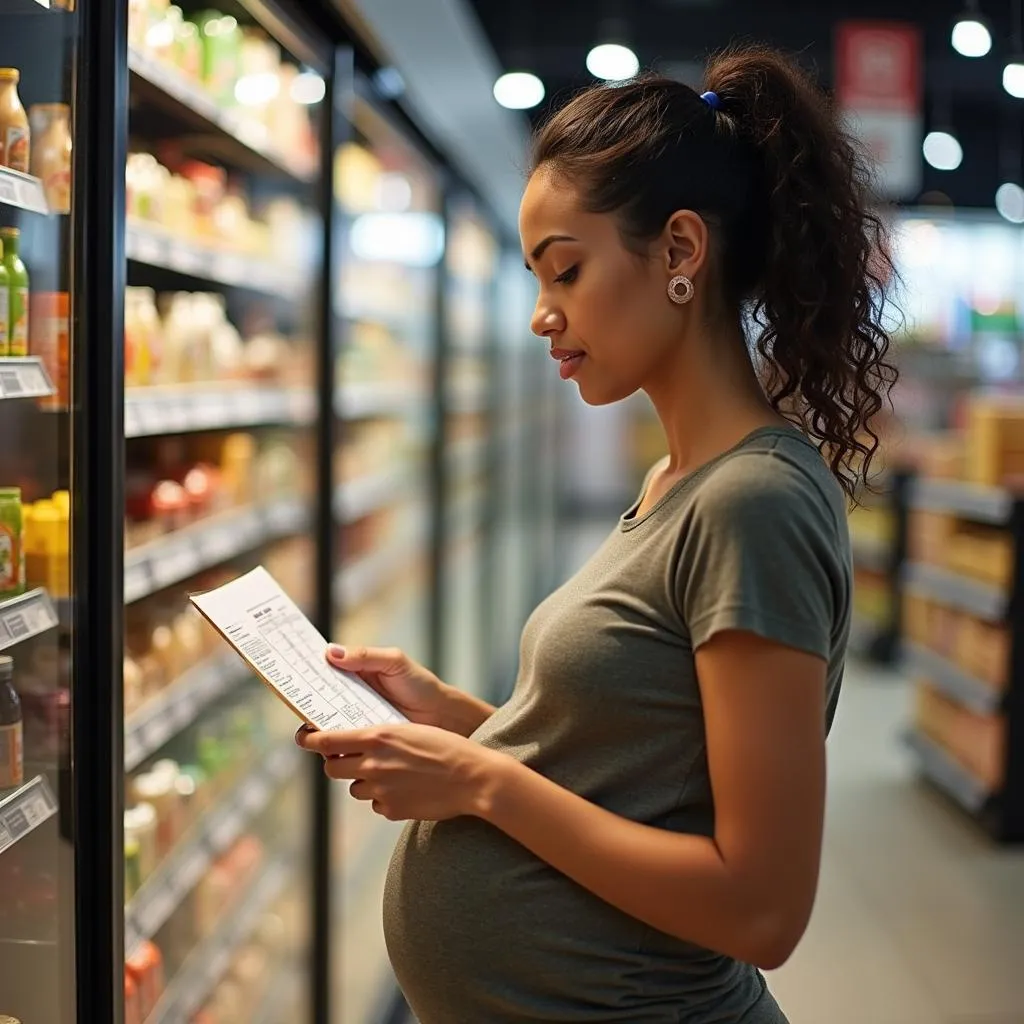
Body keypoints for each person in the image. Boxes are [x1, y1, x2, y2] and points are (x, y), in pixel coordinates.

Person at [297, 43, 896, 1024]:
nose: (542, 315)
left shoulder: (754, 504)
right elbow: (637, 770)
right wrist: (456, 717)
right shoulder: (673, 481)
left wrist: (486, 784)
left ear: (679, 252)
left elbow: (761, 905)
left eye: (565, 270)